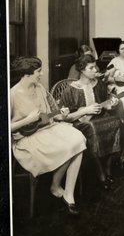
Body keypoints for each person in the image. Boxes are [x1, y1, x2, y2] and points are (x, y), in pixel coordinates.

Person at [10, 57, 86, 215]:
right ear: (26, 75)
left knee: (78, 138)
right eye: (38, 72)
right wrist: (27, 119)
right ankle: (56, 186)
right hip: (27, 139)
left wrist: (61, 113)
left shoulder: (39, 88)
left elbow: (51, 115)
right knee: (69, 146)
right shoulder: (12, 95)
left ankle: (68, 193)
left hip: (47, 128)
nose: (42, 74)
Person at [60, 54, 123, 190]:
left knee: (117, 123)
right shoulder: (71, 89)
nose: (96, 70)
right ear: (82, 70)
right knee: (93, 128)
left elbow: (105, 104)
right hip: (79, 122)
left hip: (99, 117)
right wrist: (85, 110)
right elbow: (65, 117)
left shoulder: (99, 83)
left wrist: (111, 104)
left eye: (96, 67)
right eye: (92, 68)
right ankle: (99, 169)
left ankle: (107, 164)